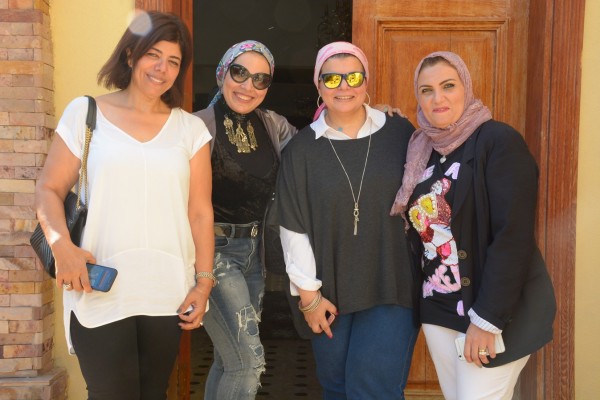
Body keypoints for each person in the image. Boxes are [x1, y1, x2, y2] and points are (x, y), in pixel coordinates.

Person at [34, 11, 214, 399]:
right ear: (131, 55)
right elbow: (48, 188)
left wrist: (203, 283)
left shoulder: (190, 130)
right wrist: (62, 248)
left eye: (173, 61)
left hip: (166, 291)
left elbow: (200, 213)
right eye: (154, 55)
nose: (162, 69)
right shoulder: (85, 114)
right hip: (98, 287)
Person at [390, 51, 556, 400]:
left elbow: (513, 237)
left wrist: (487, 319)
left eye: (448, 86)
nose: (438, 98)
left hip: (493, 313)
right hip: (438, 309)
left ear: (466, 86)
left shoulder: (499, 141)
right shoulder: (421, 148)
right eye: (426, 90)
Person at [276, 41, 420, 399]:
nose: (344, 86)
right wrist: (309, 296)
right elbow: (292, 226)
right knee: (337, 388)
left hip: (392, 285)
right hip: (329, 293)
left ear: (366, 81)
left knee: (373, 390)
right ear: (318, 83)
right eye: (332, 78)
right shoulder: (301, 150)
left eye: (353, 77)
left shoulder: (401, 133)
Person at [192, 40, 298, 400]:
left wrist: (370, 116)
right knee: (248, 363)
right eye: (239, 73)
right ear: (223, 72)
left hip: (254, 254)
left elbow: (316, 147)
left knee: (229, 359)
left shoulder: (273, 125)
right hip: (213, 253)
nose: (248, 85)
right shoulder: (196, 126)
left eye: (260, 79)